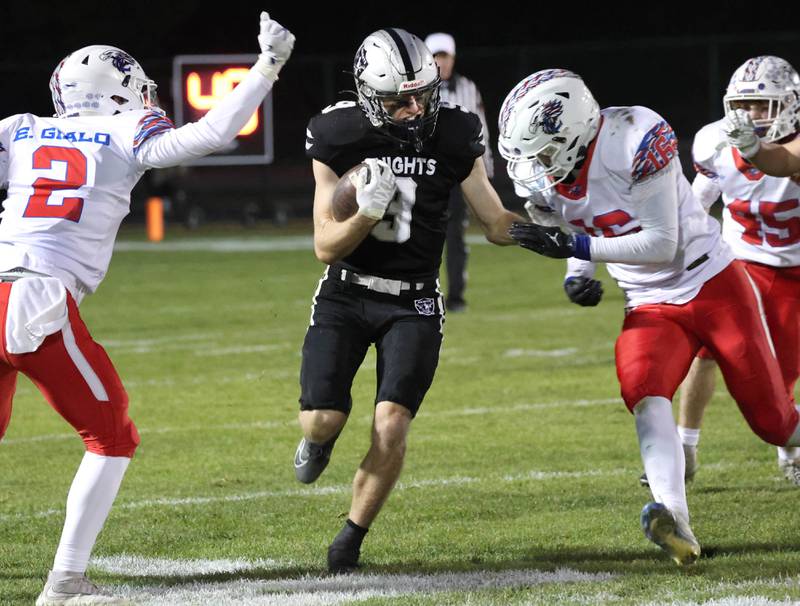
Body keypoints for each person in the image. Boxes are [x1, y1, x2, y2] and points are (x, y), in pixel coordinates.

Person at [0, 12, 294, 605]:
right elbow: (211, 133)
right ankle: (65, 582)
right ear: (115, 91)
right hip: (34, 299)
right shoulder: (124, 128)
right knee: (111, 435)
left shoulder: (21, 128)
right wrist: (268, 66)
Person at [498, 69, 800, 566]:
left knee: (773, 421)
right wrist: (577, 270)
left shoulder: (637, 136)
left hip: (711, 282)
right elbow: (574, 224)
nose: (538, 166)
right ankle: (676, 521)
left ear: (574, 130)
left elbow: (660, 242)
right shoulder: (545, 174)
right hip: (648, 301)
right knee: (643, 389)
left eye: (545, 151)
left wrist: (574, 248)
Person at [295, 27, 523, 573]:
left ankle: (349, 539)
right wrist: (367, 213)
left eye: (422, 93)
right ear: (369, 95)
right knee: (322, 420)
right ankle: (320, 443)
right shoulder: (337, 133)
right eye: (400, 100)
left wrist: (556, 234)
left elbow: (493, 220)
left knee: (392, 422)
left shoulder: (454, 132)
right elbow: (326, 246)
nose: (415, 107)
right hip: (346, 294)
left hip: (415, 300)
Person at [640, 56, 800, 488]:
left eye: (762, 105)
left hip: (794, 267)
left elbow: (784, 164)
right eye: (743, 105)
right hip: (740, 257)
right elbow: (699, 198)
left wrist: (754, 149)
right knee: (706, 351)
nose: (750, 116)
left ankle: (789, 449)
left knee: (781, 367)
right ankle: (685, 448)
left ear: (790, 105)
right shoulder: (714, 141)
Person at [423, 32, 495, 312]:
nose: (441, 62)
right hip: (424, 171)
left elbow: (482, 132)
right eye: (436, 56)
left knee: (455, 236)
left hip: (455, 174)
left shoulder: (468, 88)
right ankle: (423, 293)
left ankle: (455, 297)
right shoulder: (416, 88)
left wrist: (485, 172)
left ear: (452, 59)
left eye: (445, 56)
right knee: (423, 234)